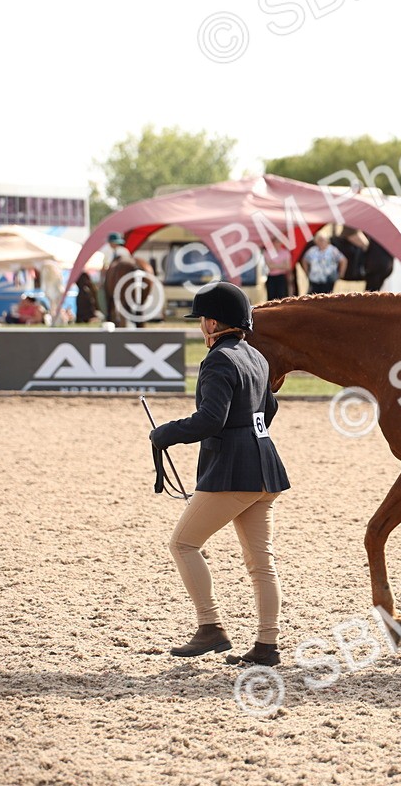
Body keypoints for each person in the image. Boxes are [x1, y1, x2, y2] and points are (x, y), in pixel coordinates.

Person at [149, 282, 290, 667]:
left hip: (233, 471)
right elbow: (270, 408)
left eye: (202, 321)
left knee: (183, 544)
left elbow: (211, 420)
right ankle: (266, 645)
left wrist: (165, 433)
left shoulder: (217, 360)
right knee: (262, 561)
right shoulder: (256, 358)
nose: (201, 328)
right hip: (266, 467)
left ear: (213, 323)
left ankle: (210, 627)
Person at [301, 229, 346, 294]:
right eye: (319, 240)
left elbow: (343, 260)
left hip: (328, 279)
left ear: (327, 240)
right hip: (315, 279)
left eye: (322, 240)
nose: (321, 242)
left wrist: (341, 273)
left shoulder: (332, 250)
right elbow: (304, 260)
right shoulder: (312, 250)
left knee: (327, 296)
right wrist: (307, 272)